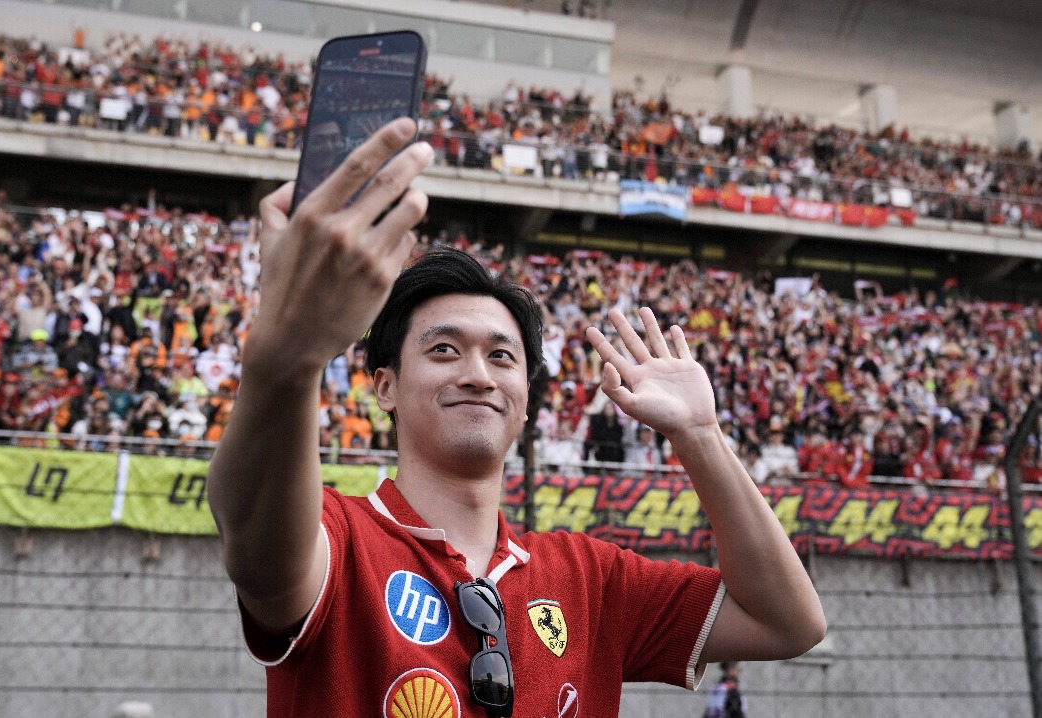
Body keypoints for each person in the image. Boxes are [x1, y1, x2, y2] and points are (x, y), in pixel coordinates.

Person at [207, 118, 825, 717]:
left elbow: (787, 623)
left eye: (502, 356)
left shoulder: (591, 580)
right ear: (385, 387)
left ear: (526, 399)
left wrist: (701, 437)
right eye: (444, 350)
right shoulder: (338, 541)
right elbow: (259, 545)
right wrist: (287, 354)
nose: (478, 374)